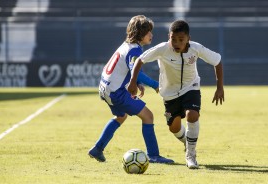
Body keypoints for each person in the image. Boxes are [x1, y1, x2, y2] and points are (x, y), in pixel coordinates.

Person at [128, 20, 224, 169]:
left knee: (193, 115)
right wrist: (133, 81)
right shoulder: (162, 49)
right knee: (173, 127)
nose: (177, 43)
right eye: (173, 39)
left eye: (181, 39)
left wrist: (219, 88)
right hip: (169, 94)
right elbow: (140, 60)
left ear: (188, 39)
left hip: (190, 87)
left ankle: (191, 155)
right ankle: (187, 141)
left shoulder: (196, 48)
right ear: (169, 37)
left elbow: (217, 61)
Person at [88, 15, 174, 164]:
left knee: (121, 117)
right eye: (148, 32)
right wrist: (155, 85)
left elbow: (128, 71)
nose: (151, 35)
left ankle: (97, 149)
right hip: (117, 92)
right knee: (148, 116)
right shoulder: (134, 51)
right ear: (140, 33)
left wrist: (135, 82)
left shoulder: (126, 45)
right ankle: (153, 155)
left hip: (105, 89)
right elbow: (137, 72)